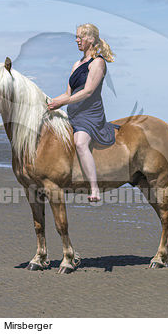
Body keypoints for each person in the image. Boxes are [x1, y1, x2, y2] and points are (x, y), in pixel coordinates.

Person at [47, 23, 119, 202]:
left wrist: (63, 102)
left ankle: (94, 189)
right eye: (77, 37)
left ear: (91, 39)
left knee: (80, 143)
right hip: (74, 110)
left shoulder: (98, 63)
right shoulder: (77, 63)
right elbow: (67, 93)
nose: (77, 40)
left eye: (81, 37)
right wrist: (48, 102)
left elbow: (88, 91)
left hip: (90, 114)